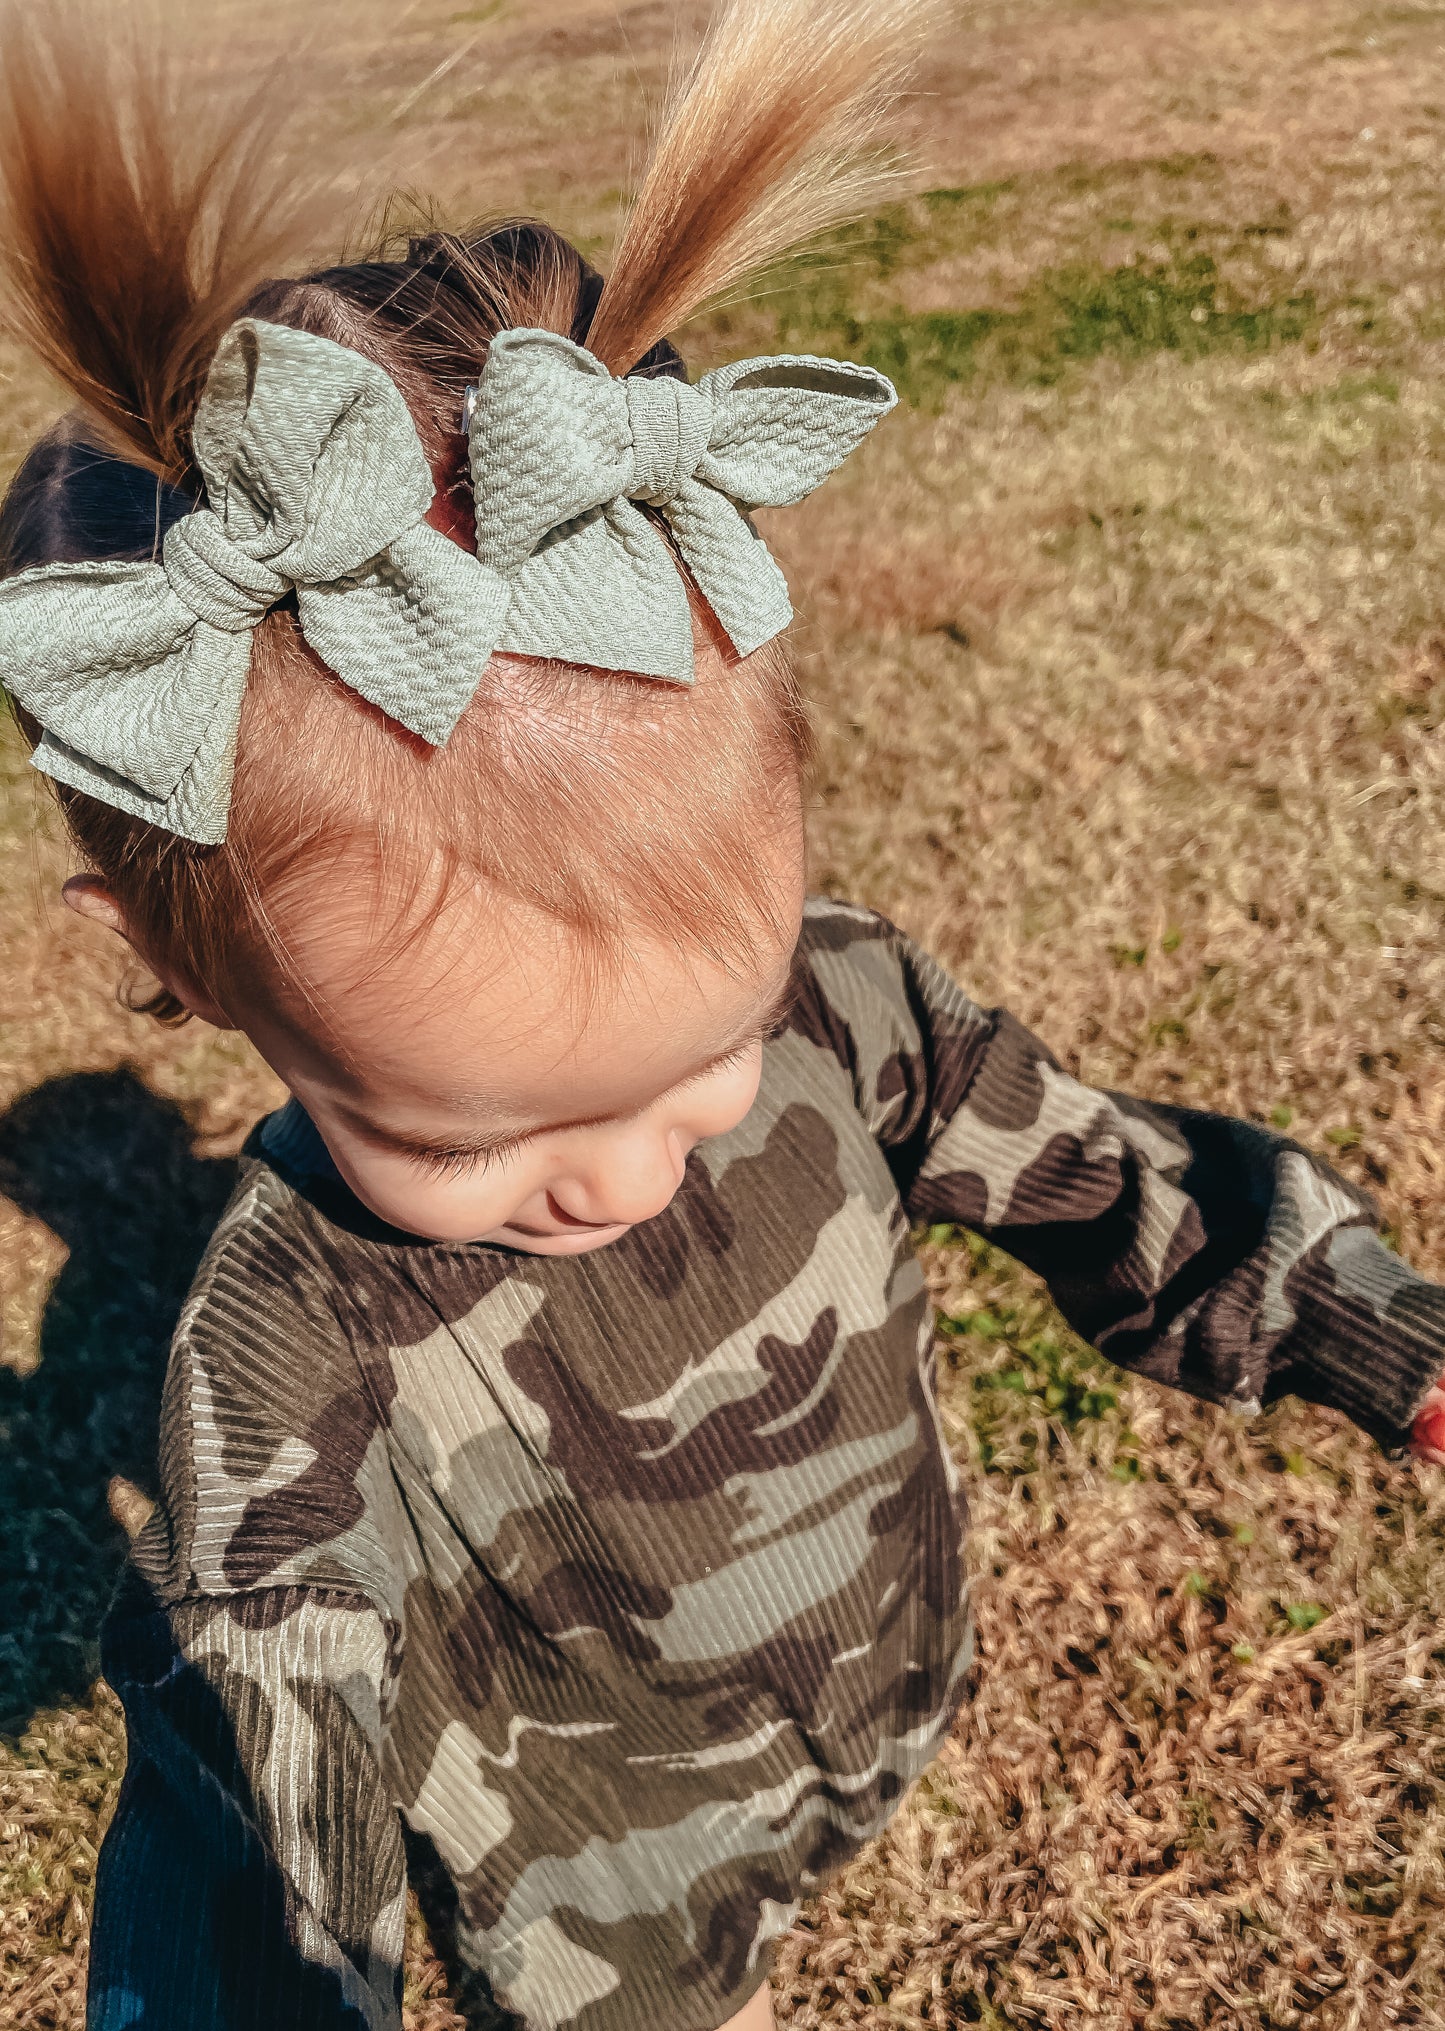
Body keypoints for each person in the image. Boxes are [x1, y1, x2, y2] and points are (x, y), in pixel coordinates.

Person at [1, 1, 1442, 2026]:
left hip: (867, 1677)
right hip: (595, 1896)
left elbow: (1112, 1177)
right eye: (473, 1133)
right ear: (189, 970)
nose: (614, 1174)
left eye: (707, 1056)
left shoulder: (847, 1007)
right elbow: (255, 1814)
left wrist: (1357, 1323)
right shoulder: (283, 1365)